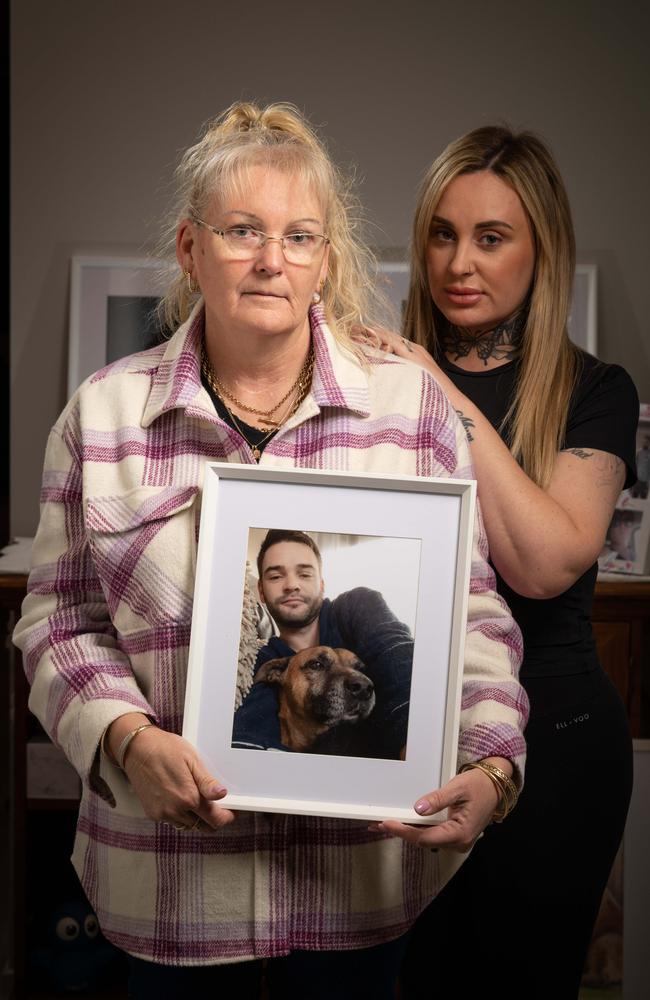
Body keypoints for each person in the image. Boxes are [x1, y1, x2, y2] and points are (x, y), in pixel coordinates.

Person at [13, 103, 528, 1000]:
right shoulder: (101, 416)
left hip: (361, 896)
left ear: (325, 260)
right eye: (242, 231)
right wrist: (129, 741)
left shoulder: (409, 412)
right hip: (171, 892)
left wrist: (491, 765)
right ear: (188, 247)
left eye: (299, 236)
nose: (270, 260)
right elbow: (59, 624)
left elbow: (473, 617)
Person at [366, 126, 639, 999]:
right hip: (408, 738)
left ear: (541, 248)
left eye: (492, 238)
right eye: (443, 234)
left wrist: (438, 393)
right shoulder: (376, 378)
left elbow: (545, 564)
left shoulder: (595, 390)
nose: (460, 262)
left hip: (557, 751)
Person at [232, 529, 414, 759]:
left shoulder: (356, 607)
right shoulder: (261, 658)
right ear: (261, 591)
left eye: (305, 574)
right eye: (276, 576)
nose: (291, 585)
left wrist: (416, 745)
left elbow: (395, 650)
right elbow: (250, 732)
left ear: (322, 583)